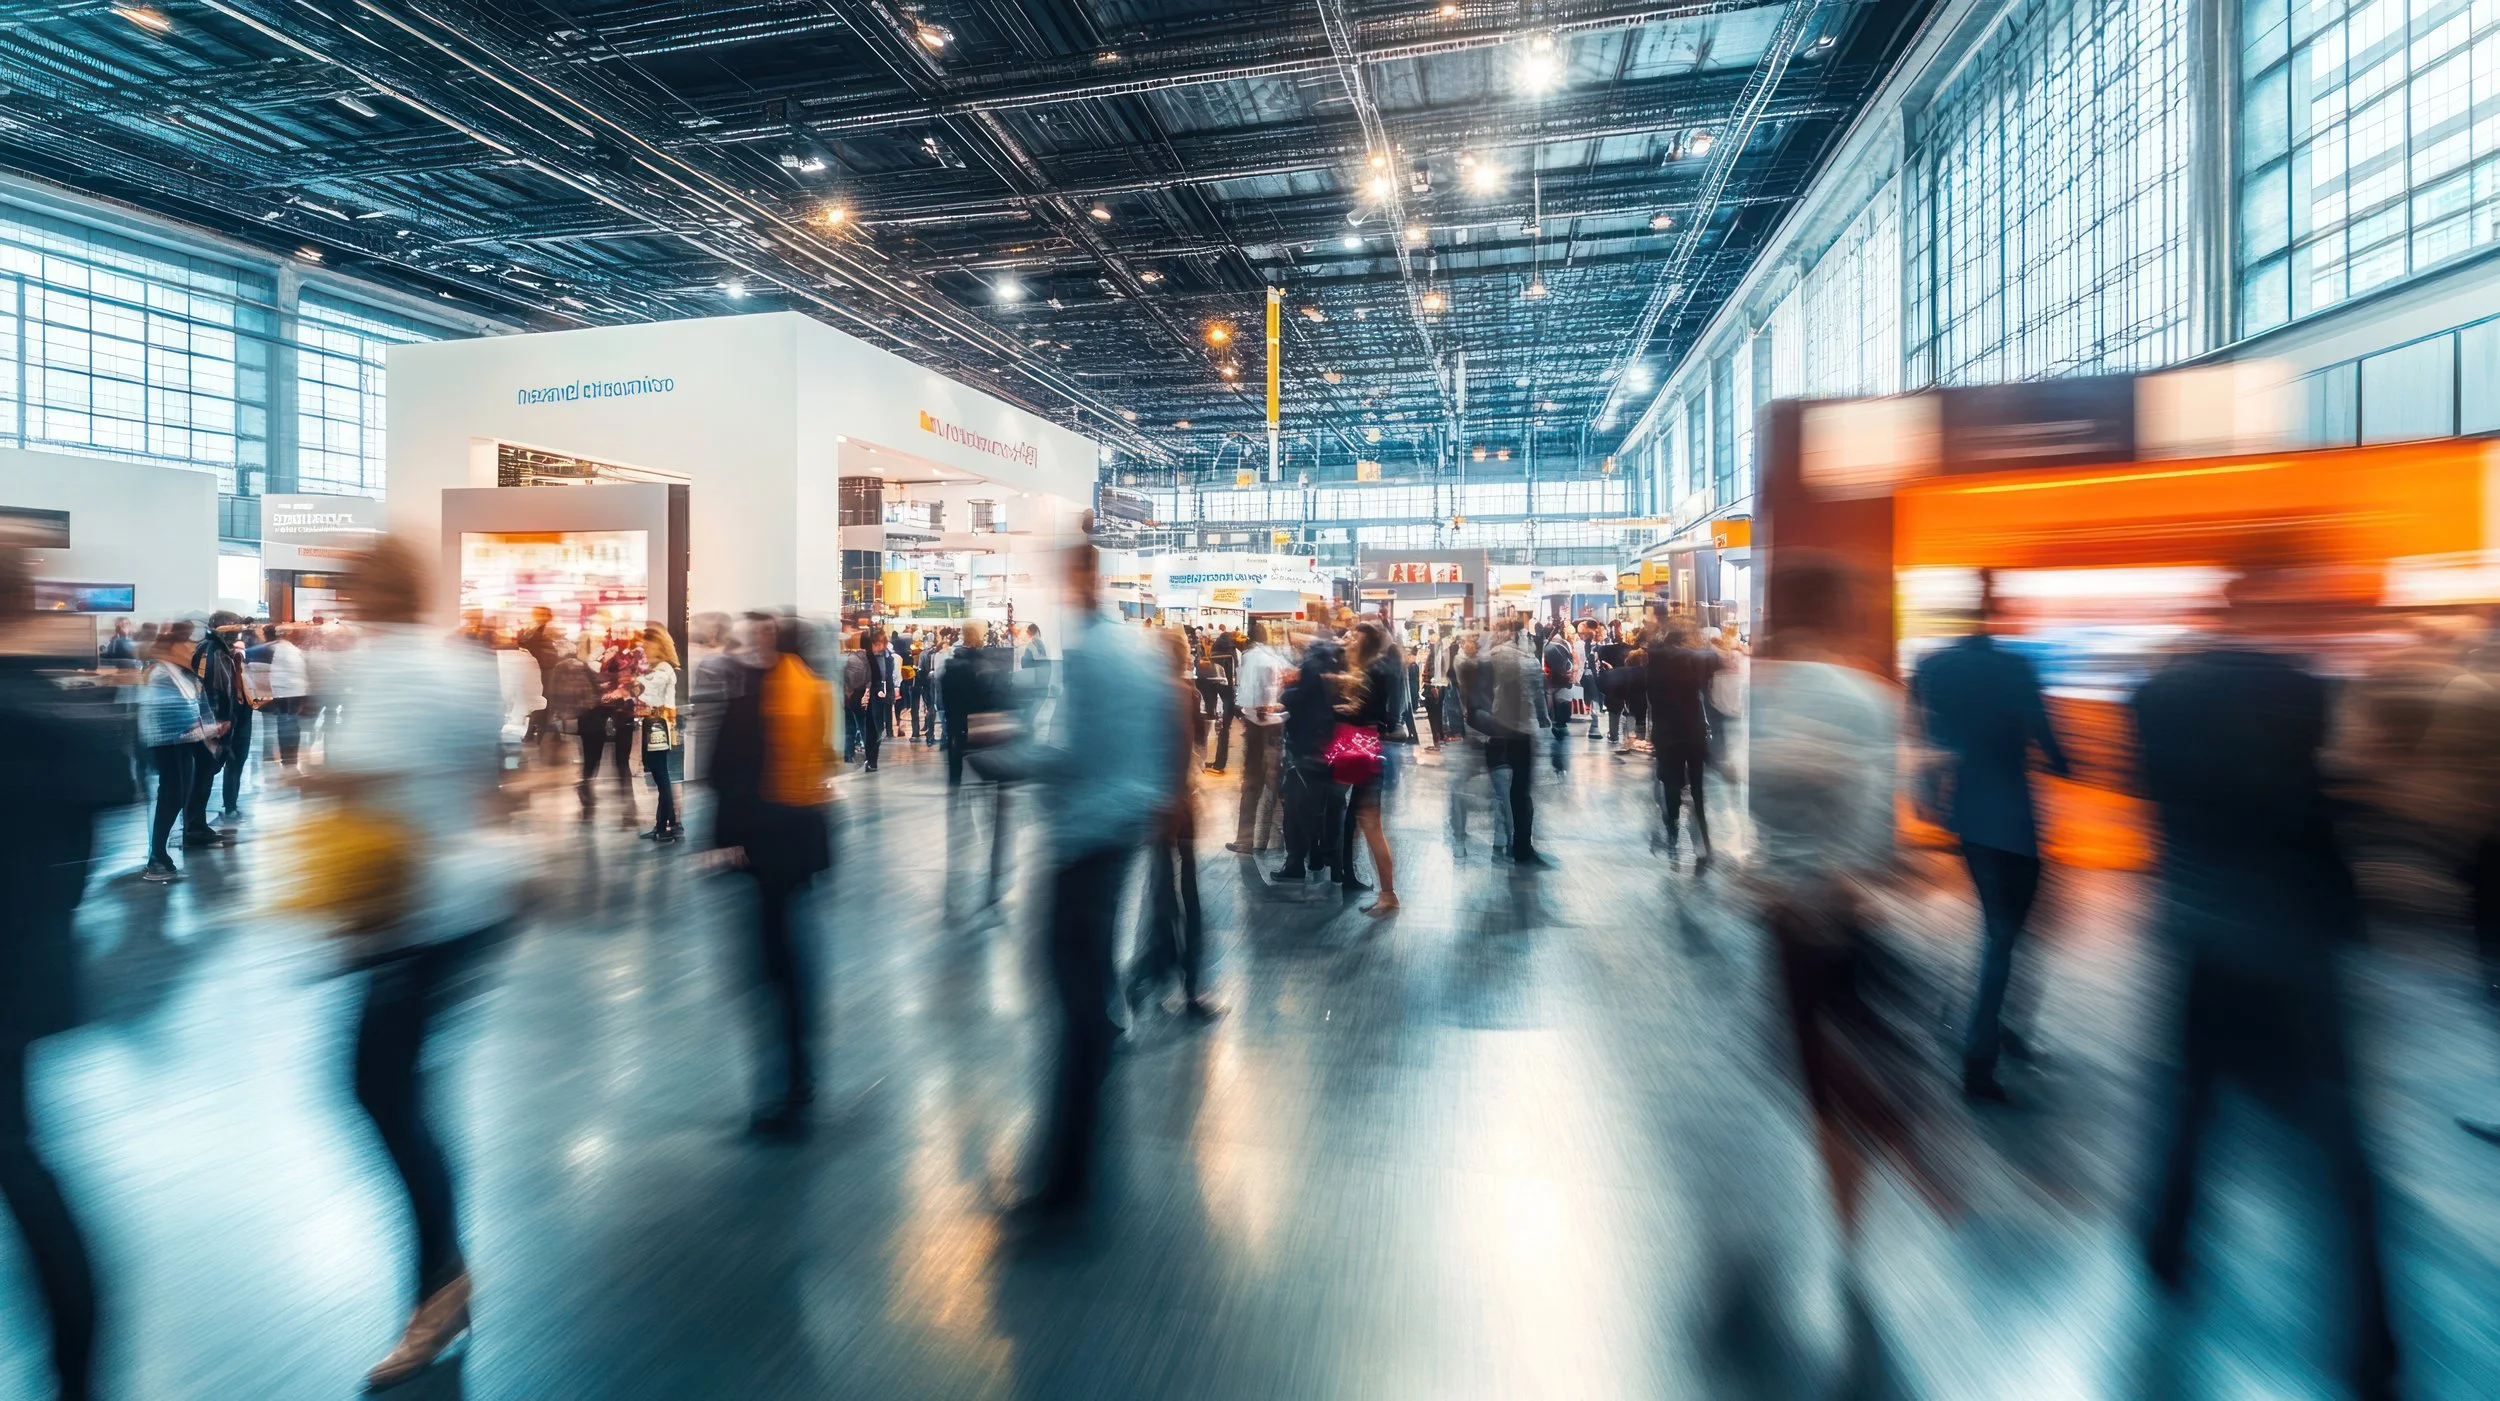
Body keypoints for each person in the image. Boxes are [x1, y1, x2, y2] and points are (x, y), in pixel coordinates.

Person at [2132, 560, 2398, 1398]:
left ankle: (2168, 1247)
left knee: (2191, 1095)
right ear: (2270, 599)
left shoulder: (2157, 695)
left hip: (2195, 924)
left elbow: (2152, 802)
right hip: (2289, 936)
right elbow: (2317, 813)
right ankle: (2370, 1337)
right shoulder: (2303, 687)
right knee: (2336, 1143)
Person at [290, 539, 528, 1391]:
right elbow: (488, 778)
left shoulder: (384, 665)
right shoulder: (463, 662)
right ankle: (441, 1275)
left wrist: (306, 784)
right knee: (397, 1084)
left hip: (417, 905)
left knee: (378, 1087)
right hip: (472, 897)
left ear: (366, 592)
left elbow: (369, 777)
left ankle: (441, 1283)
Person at [1011, 532, 1182, 1215]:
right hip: (1118, 833)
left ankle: (1065, 1176)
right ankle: (1071, 1161)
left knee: (1070, 991)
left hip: (1082, 838)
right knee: (1082, 990)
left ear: (1080, 575)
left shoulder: (1086, 655)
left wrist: (1013, 749)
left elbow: (1069, 752)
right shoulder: (1134, 651)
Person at [0, 548, 131, 1401]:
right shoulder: (60, 705)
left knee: (20, 1163)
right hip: (32, 966)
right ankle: (78, 1370)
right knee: (22, 1160)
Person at [1911, 574, 2070, 1103]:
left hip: (1967, 815)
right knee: (2009, 934)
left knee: (2000, 930)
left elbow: (1926, 737)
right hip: (2016, 819)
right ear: (1995, 613)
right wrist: (2069, 763)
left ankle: (1992, 1024)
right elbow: (2050, 744)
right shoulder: (2016, 667)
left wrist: (1928, 795)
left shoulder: (1932, 668)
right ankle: (1983, 1049)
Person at [707, 611, 836, 1138]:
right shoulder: (815, 692)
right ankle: (799, 1075)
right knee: (790, 961)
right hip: (801, 843)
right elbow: (826, 764)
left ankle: (782, 1087)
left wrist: (726, 840)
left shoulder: (756, 698)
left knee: (769, 965)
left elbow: (724, 772)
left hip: (765, 846)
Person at [1130, 630, 1219, 1019]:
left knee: (1161, 897)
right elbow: (1189, 752)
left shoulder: (1143, 697)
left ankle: (1148, 974)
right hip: (1177, 811)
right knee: (1188, 900)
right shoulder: (1185, 695)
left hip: (1152, 810)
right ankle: (1189, 988)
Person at [138, 621, 224, 882]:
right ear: (173, 646)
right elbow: (166, 715)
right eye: (187, 645)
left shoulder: (180, 673)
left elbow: (196, 706)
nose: (192, 650)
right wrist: (204, 729)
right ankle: (156, 857)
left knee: (175, 797)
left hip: (181, 744)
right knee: (170, 798)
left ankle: (159, 854)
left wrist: (208, 727)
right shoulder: (161, 674)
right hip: (167, 746)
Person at [1335, 620, 1402, 915]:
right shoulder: (1379, 668)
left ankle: (1388, 894)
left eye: (1356, 638)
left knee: (1372, 825)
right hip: (1368, 747)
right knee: (1367, 822)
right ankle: (1385, 893)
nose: (1351, 642)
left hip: (1363, 748)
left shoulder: (1372, 671)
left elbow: (1366, 711)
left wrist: (1345, 710)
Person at [1647, 620, 1723, 869]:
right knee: (1698, 789)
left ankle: (1672, 835)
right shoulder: (1692, 661)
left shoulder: (1654, 663)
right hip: (1692, 731)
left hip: (1666, 733)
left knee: (1671, 785)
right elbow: (1716, 660)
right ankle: (1705, 843)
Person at [1272, 630, 1346, 883]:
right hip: (1333, 748)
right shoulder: (1339, 667)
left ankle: (1295, 864)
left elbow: (1294, 699)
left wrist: (1287, 689)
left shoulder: (1311, 667)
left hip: (1305, 746)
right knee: (1330, 808)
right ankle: (1327, 860)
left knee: (1296, 808)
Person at [1483, 618, 1551, 866]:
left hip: (1494, 730)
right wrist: (1544, 723)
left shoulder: (1487, 659)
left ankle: (1500, 841)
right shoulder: (1529, 661)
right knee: (1521, 792)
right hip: (1522, 731)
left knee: (1499, 790)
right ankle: (1522, 847)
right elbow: (1539, 698)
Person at [1228, 622, 1287, 854]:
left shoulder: (1250, 657)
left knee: (1252, 783)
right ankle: (1280, 839)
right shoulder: (1274, 657)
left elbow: (1247, 693)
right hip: (1276, 725)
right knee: (1275, 785)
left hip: (1256, 723)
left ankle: (1245, 839)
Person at [190, 612, 252, 829]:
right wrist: (219, 719)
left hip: (237, 714)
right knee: (205, 770)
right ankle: (195, 824)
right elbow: (210, 689)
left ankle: (226, 807)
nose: (237, 631)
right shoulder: (209, 650)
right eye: (232, 627)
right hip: (219, 718)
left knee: (233, 759)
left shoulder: (228, 651)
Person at [637, 623, 683, 842]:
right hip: (654, 724)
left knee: (661, 776)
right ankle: (671, 823)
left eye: (648, 646)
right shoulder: (657, 669)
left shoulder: (663, 670)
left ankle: (663, 826)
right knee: (660, 774)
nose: (645, 650)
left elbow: (644, 692)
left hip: (658, 724)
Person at [515, 606, 563, 744]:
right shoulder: (536, 628)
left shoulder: (548, 630)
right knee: (541, 702)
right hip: (538, 670)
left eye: (541, 613)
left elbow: (545, 650)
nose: (536, 615)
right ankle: (537, 734)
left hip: (545, 671)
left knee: (542, 702)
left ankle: (535, 734)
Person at [1199, 624, 1237, 774]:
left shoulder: (1213, 655)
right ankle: (1220, 763)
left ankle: (1202, 761)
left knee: (1207, 730)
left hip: (1213, 698)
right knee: (1224, 731)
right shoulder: (1234, 654)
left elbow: (1206, 680)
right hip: (1228, 696)